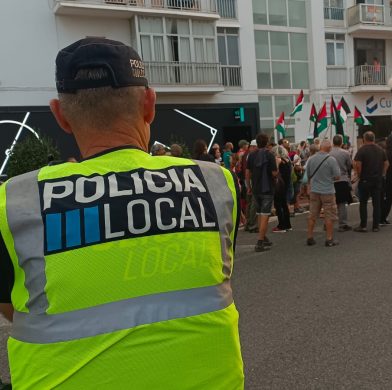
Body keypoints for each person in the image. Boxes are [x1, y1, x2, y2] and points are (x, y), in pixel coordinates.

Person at [0, 38, 244, 389]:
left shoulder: (15, 202)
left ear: (60, 115)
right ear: (149, 105)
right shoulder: (215, 183)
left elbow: (14, 307)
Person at [246, 133, 278, 251]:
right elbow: (274, 173)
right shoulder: (270, 155)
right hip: (267, 187)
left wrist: (249, 186)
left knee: (259, 213)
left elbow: (247, 172)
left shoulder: (251, 155)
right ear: (267, 143)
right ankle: (260, 242)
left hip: (256, 188)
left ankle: (263, 237)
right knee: (265, 215)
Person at [305, 140, 340, 247]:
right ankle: (329, 239)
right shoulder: (331, 160)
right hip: (327, 191)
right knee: (329, 215)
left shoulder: (311, 159)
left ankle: (310, 237)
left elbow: (308, 174)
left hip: (315, 190)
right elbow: (337, 176)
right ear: (329, 148)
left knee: (312, 215)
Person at [353, 131, 388, 233]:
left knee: (363, 202)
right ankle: (375, 226)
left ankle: (363, 225)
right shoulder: (380, 150)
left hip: (365, 179)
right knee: (376, 203)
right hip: (377, 179)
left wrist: (359, 175)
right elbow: (386, 163)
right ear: (373, 138)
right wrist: (382, 173)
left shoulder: (362, 150)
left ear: (364, 139)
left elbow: (358, 164)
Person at [330, 134, 353, 232]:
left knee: (329, 203)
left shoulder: (328, 153)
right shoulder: (345, 153)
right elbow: (349, 166)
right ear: (341, 142)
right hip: (342, 179)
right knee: (341, 203)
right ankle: (342, 224)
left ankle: (328, 223)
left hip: (330, 180)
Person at [272, 146, 292, 233]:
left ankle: (281, 225)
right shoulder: (288, 160)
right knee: (284, 205)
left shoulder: (278, 160)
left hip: (279, 186)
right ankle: (288, 225)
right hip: (286, 184)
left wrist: (276, 164)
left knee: (278, 205)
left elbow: (275, 173)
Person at [243, 140, 259, 233]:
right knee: (253, 203)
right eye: (256, 147)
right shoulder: (251, 156)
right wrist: (249, 185)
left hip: (248, 180)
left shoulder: (246, 155)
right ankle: (252, 224)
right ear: (252, 147)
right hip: (251, 181)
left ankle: (248, 223)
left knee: (249, 204)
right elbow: (248, 171)